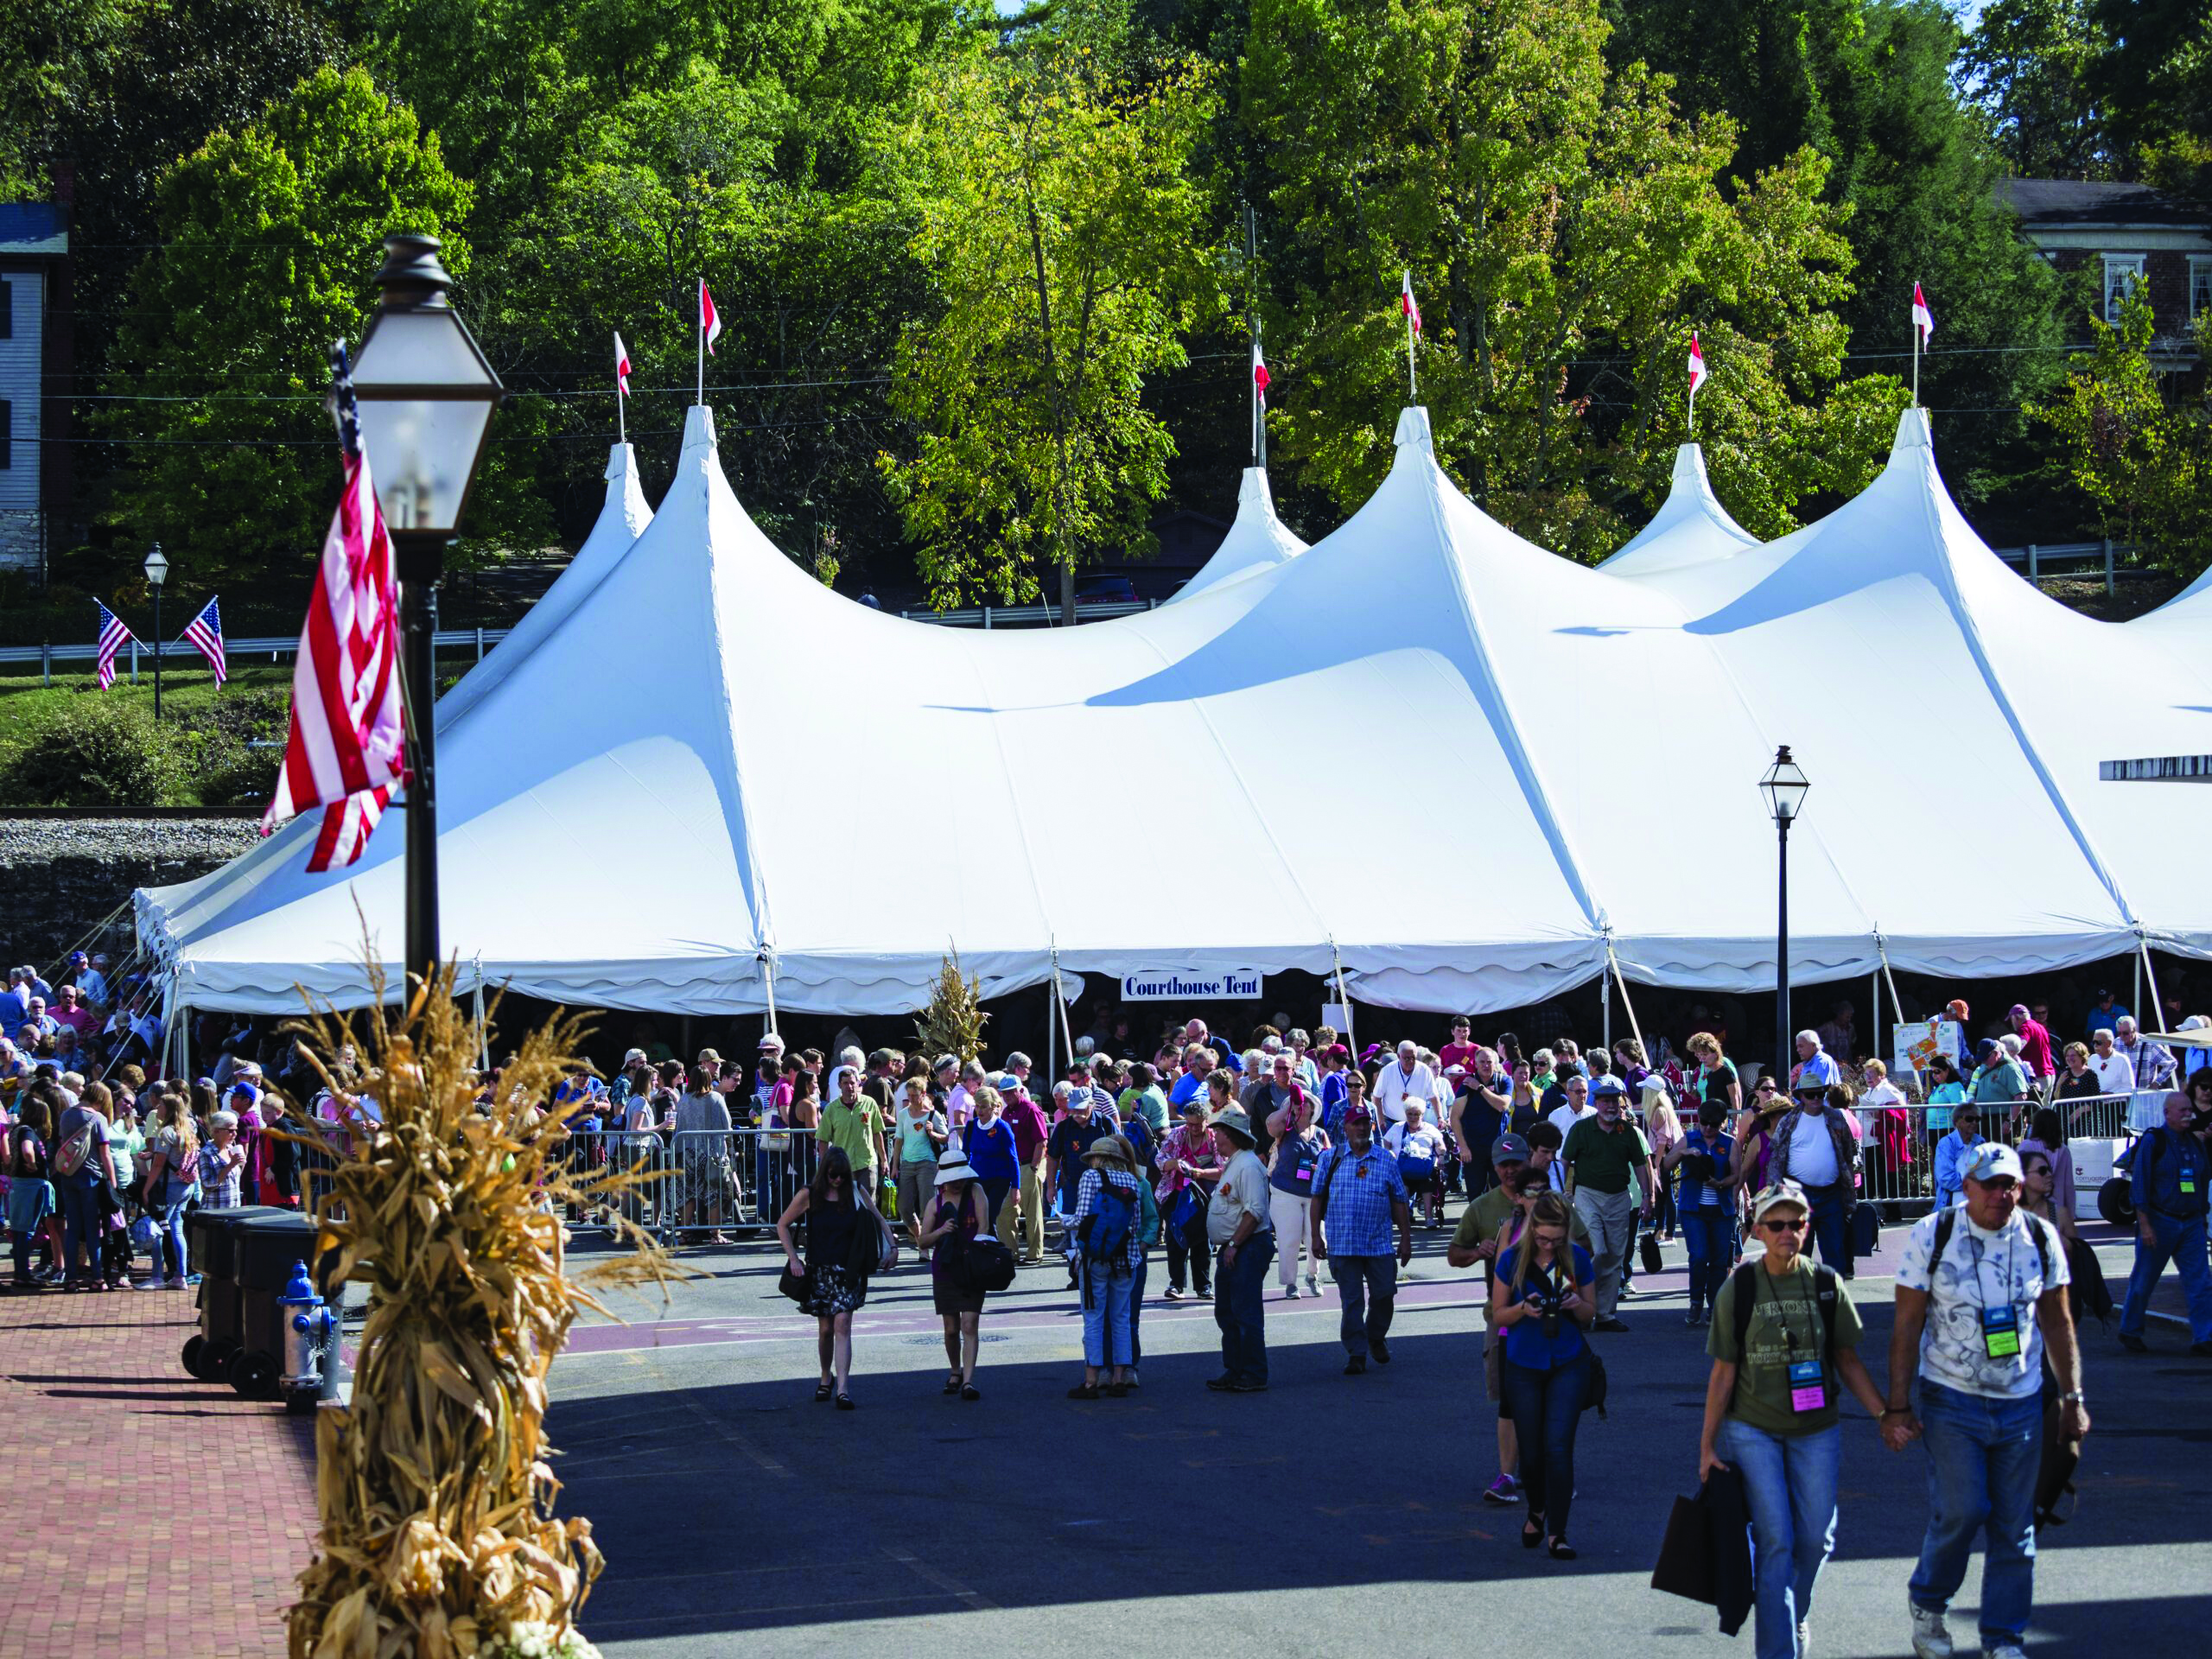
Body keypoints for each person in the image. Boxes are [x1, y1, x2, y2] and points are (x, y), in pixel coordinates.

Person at [1885, 1144, 2085, 1659]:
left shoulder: (2039, 1236)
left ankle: (2003, 1637)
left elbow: (2058, 1323)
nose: (2002, 1194)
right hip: (1951, 1396)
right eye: (1991, 1184)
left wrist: (2072, 1398)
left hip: (2020, 1399)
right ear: (1967, 1185)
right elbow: (1907, 1325)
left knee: (2015, 1528)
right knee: (1963, 1509)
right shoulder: (1935, 1233)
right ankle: (1929, 1602)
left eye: (2010, 1185)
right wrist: (1898, 1405)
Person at [1700, 1182, 1889, 1659]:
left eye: (1797, 1223)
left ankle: (1795, 1610)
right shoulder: (1739, 1288)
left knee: (1816, 1538)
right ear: (1758, 1230)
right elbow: (1722, 1373)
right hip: (1752, 1428)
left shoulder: (1826, 1283)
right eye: (1777, 1224)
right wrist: (1707, 1449)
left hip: (1816, 1428)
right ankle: (1780, 1647)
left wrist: (1886, 1414)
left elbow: (1847, 1359)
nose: (1789, 1232)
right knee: (1777, 1541)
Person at [1491, 1192, 1598, 1560]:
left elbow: (1590, 1315)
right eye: (1542, 1239)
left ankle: (1558, 1533)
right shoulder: (1511, 1261)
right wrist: (1523, 1308)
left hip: (1568, 1361)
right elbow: (1498, 1314)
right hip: (1524, 1363)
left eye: (1555, 1239)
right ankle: (1536, 1510)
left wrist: (1576, 1304)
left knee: (1558, 1447)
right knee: (1532, 1454)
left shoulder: (1577, 1258)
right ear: (1532, 1230)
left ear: (1565, 1233)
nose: (1549, 1246)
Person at [1309, 1103, 1412, 1373]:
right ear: (1345, 1128)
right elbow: (1317, 1197)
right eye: (1356, 1123)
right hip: (1343, 1243)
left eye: (1366, 1122)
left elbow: (1400, 1200)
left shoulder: (1385, 1159)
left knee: (1385, 1293)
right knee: (1352, 1301)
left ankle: (1375, 1336)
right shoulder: (1329, 1158)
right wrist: (1315, 1239)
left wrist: (1405, 1239)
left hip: (1378, 1242)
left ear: (1372, 1126)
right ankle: (1356, 1353)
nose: (1362, 1127)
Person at [776, 1146, 881, 1409]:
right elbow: (782, 1224)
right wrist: (793, 1258)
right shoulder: (810, 1194)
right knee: (825, 1330)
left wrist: (892, 1247)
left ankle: (843, 1389)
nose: (838, 1180)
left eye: (842, 1176)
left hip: (849, 1270)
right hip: (820, 1270)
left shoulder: (855, 1191)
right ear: (825, 1173)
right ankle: (826, 1376)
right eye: (833, 1175)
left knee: (842, 1324)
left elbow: (877, 1217)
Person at [2115, 1085, 2212, 1355]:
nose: (2188, 1115)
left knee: (2200, 1282)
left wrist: (2201, 1217)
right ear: (2167, 1113)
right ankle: (2130, 1330)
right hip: (2160, 1222)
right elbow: (2140, 1186)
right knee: (2144, 1280)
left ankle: (2204, 1337)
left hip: (2191, 1222)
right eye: (2183, 1111)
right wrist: (2145, 1224)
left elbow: (2203, 1179)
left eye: (2190, 1111)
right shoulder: (2153, 1141)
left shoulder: (2195, 1142)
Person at [1559, 1077, 1652, 1329]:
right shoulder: (1581, 1129)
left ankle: (1605, 1315)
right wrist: (1561, 1194)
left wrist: (1648, 1196)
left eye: (1614, 1101)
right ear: (1596, 1103)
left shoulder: (1628, 1131)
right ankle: (1578, 1303)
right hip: (1587, 1195)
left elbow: (1642, 1165)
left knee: (1614, 1257)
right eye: (1605, 1102)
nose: (1610, 1106)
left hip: (1619, 1198)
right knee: (1597, 1250)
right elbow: (1564, 1162)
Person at [1067, 1134, 1146, 1397]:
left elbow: (1082, 1217)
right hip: (1125, 1257)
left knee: (1094, 1319)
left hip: (1095, 1258)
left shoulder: (1091, 1178)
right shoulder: (1132, 1181)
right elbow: (1135, 1225)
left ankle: (1091, 1380)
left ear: (1097, 1159)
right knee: (1122, 1318)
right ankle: (1120, 1379)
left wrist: (1063, 1222)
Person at [1205, 1104, 1274, 1392]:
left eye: (1219, 1132)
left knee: (1245, 1313)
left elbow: (1255, 1211)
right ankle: (1235, 1369)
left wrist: (1234, 1244)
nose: (1215, 1137)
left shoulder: (1247, 1165)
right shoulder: (1237, 1162)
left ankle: (1253, 1373)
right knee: (1228, 1312)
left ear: (1231, 1135)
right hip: (1236, 1248)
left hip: (1246, 1246)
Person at [914, 1153, 992, 1400]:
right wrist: (941, 1231)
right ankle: (955, 1371)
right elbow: (922, 1241)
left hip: (971, 1266)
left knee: (969, 1324)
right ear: (943, 1180)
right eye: (953, 1180)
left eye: (961, 1178)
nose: (958, 1183)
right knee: (950, 1329)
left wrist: (975, 1252)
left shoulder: (976, 1191)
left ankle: (968, 1381)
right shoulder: (934, 1203)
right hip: (945, 1269)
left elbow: (984, 1226)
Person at [1768, 1082, 1860, 1274]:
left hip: (1831, 1194)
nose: (1816, 1098)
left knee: (1834, 1250)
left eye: (1819, 1094)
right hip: (1798, 1194)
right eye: (1811, 1095)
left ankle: (1834, 1299)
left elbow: (1849, 1152)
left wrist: (1849, 1188)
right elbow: (1776, 1158)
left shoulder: (1835, 1118)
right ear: (1801, 1097)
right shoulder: (1789, 1121)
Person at [1667, 1102, 1738, 1325]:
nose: (1707, 1128)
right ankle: (1696, 1301)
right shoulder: (1689, 1138)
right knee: (1699, 1256)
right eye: (1704, 1123)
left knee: (1718, 1261)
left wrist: (1720, 1183)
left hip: (1721, 1209)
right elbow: (1666, 1165)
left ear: (1723, 1123)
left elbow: (1737, 1174)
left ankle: (1715, 1306)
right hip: (1693, 1209)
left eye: (1714, 1124)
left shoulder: (1730, 1143)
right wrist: (1683, 1153)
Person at [1154, 1093, 1223, 1300]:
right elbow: (1160, 1159)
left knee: (1203, 1241)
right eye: (1190, 1124)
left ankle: (1203, 1286)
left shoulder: (1214, 1138)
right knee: (1175, 1239)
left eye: (1198, 1124)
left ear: (1206, 1121)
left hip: (1204, 1196)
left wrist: (1200, 1173)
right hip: (1177, 1194)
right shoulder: (1177, 1134)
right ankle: (1176, 1284)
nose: (1194, 1128)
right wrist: (1174, 1164)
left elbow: (1224, 1168)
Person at [1265, 1084, 1330, 1297]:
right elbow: (1270, 1125)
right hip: (1286, 1192)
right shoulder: (1284, 1130)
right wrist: (1289, 1107)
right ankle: (1290, 1283)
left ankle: (1313, 1275)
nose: (1302, 1108)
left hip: (1313, 1194)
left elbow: (1329, 1161)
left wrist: (1320, 1168)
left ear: (1312, 1109)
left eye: (1305, 1105)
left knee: (1316, 1237)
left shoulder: (1320, 1134)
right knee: (1288, 1239)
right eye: (1299, 1105)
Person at [137, 1094, 200, 1289]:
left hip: (169, 1186)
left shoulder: (166, 1132)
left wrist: (146, 1189)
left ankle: (156, 1277)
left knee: (156, 1229)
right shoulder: (189, 1129)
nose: (157, 1107)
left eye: (161, 1104)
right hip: (186, 1185)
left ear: (169, 1109)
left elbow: (158, 1165)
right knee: (176, 1227)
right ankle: (180, 1275)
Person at [818, 1063, 886, 1201]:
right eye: (845, 1083)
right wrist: (824, 1167)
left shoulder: (870, 1103)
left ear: (858, 1084)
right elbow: (823, 1140)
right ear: (839, 1085)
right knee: (845, 1204)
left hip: (867, 1162)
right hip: (842, 1166)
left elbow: (877, 1133)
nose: (849, 1086)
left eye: (852, 1083)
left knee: (868, 1205)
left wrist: (884, 1160)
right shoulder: (831, 1109)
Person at [893, 1077, 948, 1243]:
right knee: (904, 1207)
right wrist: (895, 1166)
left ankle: (924, 1247)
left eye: (914, 1095)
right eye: (908, 1095)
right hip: (907, 1164)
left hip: (928, 1163)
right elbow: (899, 1141)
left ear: (923, 1094)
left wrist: (933, 1134)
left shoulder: (933, 1115)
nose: (911, 1099)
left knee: (927, 1206)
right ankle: (920, 1238)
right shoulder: (903, 1115)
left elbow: (946, 1138)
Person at [1383, 1099, 1448, 1228]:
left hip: (1424, 1168)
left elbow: (1440, 1145)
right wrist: (1389, 1153)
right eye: (1410, 1114)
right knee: (1403, 1186)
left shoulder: (1430, 1128)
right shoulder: (1397, 1127)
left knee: (1428, 1183)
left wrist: (1441, 1156)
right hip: (1403, 1169)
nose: (1412, 1117)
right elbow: (1386, 1143)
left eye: (1416, 1114)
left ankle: (1429, 1218)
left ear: (1422, 1115)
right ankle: (1404, 1218)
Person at [2013, 1107, 2075, 1236]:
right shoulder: (2064, 1150)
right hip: (2056, 1205)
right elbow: (2069, 1185)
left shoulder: (2026, 1145)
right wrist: (2071, 1213)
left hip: (2030, 1201)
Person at [1372, 1039, 1441, 1128]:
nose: (1411, 1061)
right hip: (1391, 1123)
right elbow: (1376, 1097)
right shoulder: (1388, 1070)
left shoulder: (1424, 1070)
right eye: (1407, 1058)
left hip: (1416, 1123)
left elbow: (1434, 1096)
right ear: (1398, 1056)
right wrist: (1381, 1120)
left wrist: (1440, 1117)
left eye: (1413, 1058)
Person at [1931, 1103, 1981, 1210]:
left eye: (1977, 1119)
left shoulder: (1980, 1142)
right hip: (1951, 1206)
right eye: (1969, 1119)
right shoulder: (1946, 1143)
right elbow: (1946, 1178)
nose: (1974, 1122)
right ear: (1957, 1121)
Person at [2085, 1027, 2135, 1098]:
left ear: (2109, 1043)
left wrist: (2112, 1095)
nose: (2095, 1046)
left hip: (2116, 1104)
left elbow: (2129, 1088)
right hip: (2096, 1104)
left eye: (2099, 1043)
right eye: (2094, 1042)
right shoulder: (2092, 1059)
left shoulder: (2122, 1060)